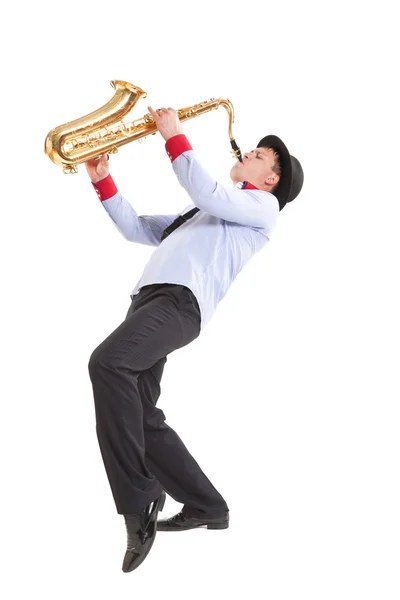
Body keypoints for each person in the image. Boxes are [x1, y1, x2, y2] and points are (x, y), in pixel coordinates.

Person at [85, 105, 304, 574]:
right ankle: (207, 506)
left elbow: (205, 187)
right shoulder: (202, 211)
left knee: (107, 364)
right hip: (150, 302)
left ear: (270, 181)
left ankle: (138, 500)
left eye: (261, 155)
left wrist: (174, 137)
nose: (248, 152)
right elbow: (137, 228)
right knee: (140, 415)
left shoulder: (262, 208)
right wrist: (103, 180)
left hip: (180, 305)